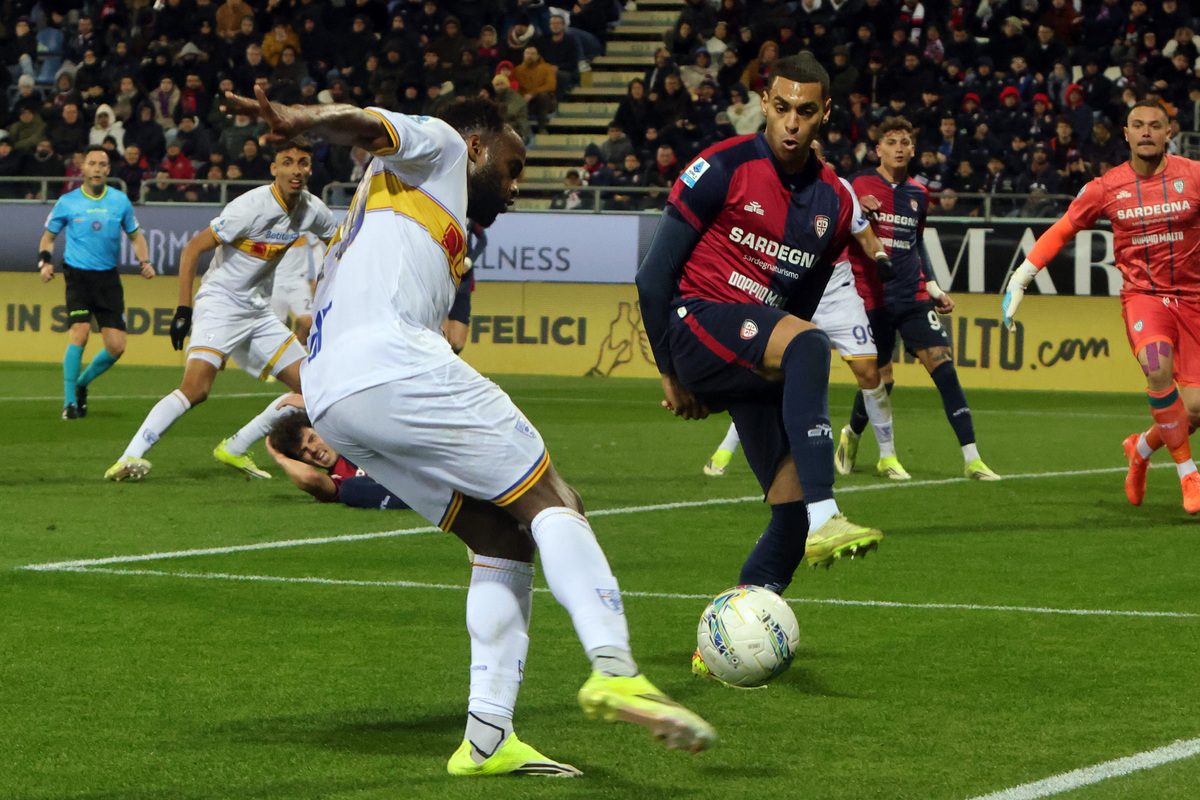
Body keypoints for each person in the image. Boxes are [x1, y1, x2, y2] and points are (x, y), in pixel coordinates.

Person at [218, 86, 716, 776]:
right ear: (478, 146)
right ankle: (615, 667)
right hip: (387, 362)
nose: (515, 187)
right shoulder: (445, 144)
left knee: (499, 533)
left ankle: (487, 738)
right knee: (553, 499)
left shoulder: (399, 200)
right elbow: (366, 124)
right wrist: (300, 119)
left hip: (331, 393)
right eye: (512, 168)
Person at [636, 51, 888, 617]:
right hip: (697, 321)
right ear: (765, 105)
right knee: (810, 342)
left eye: (805, 111)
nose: (791, 122)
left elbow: (799, 304)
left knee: (788, 513)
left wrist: (753, 372)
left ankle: (735, 628)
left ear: (825, 112)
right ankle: (828, 515)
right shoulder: (720, 167)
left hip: (752, 348)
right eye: (781, 108)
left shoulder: (836, 201)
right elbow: (652, 279)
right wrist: (671, 374)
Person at [1003, 101, 1200, 513]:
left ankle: (1140, 449)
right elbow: (1063, 229)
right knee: (1157, 367)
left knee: (1194, 410)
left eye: (1155, 125)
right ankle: (1189, 474)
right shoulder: (1107, 187)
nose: (1146, 132)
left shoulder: (1194, 176)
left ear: (1169, 133)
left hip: (1194, 301)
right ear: (1125, 134)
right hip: (1145, 299)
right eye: (1138, 125)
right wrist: (1021, 278)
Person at [105, 138, 338, 482]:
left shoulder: (312, 209)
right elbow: (192, 249)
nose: (296, 170)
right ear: (274, 168)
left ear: (310, 170)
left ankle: (235, 446)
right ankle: (128, 457)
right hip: (220, 303)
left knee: (313, 388)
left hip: (257, 311)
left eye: (302, 163)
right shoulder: (250, 207)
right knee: (196, 389)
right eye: (287, 162)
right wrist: (183, 310)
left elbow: (338, 242)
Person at [704, 141, 907, 481]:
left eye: (814, 152)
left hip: (838, 296)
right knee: (767, 376)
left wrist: (881, 257)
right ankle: (726, 448)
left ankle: (888, 456)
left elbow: (864, 234)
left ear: (822, 158)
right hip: (793, 297)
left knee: (871, 374)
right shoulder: (776, 190)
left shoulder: (840, 191)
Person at [836, 117, 1000, 481]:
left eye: (904, 142)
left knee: (944, 367)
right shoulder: (857, 185)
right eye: (891, 142)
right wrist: (855, 207)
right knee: (881, 380)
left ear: (913, 150)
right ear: (878, 149)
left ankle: (972, 458)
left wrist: (934, 287)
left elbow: (916, 242)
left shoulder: (919, 194)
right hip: (871, 297)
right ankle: (853, 433)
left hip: (912, 294)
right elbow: (835, 222)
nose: (898, 148)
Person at [38, 145, 155, 419]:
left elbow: (136, 236)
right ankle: (70, 404)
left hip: (107, 279)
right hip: (77, 276)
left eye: (102, 164)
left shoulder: (120, 201)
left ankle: (81, 384)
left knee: (116, 346)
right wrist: (44, 262)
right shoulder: (67, 202)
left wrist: (145, 261)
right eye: (92, 163)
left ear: (108, 170)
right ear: (83, 168)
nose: (97, 169)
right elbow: (48, 237)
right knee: (80, 333)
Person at [266, 399, 411, 509]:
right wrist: (280, 458)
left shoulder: (355, 437)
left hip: (412, 466)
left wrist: (314, 406)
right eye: (304, 452)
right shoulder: (335, 482)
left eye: (312, 438)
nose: (314, 450)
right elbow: (309, 477)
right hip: (405, 489)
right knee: (349, 488)